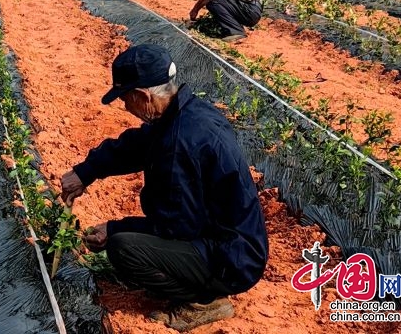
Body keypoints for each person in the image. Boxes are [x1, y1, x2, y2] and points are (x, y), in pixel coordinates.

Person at [60, 44, 268, 332]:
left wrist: (115, 229)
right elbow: (135, 146)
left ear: (143, 96)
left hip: (230, 260)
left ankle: (204, 301)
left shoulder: (178, 145)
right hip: (232, 242)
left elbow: (175, 227)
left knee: (124, 249)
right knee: (132, 239)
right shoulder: (185, 113)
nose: (124, 106)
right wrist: (85, 172)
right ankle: (189, 278)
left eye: (125, 99)